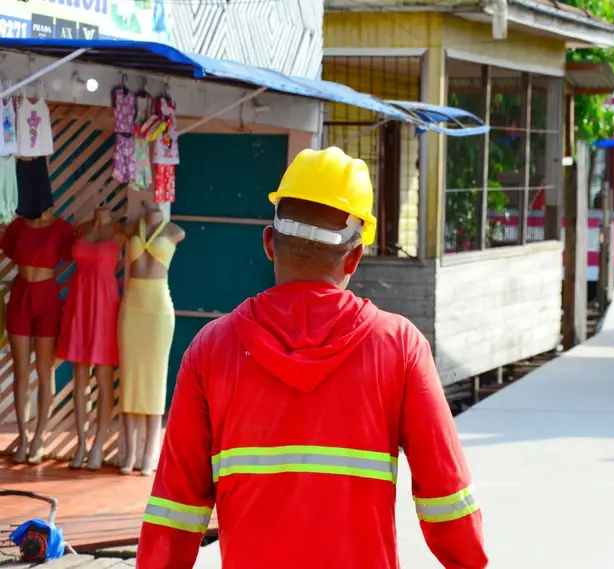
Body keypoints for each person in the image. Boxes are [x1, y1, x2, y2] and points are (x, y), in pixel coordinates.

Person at [137, 147, 488, 569]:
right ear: (355, 258)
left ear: (269, 243)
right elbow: (447, 497)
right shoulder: (399, 347)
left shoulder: (211, 349)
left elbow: (173, 511)